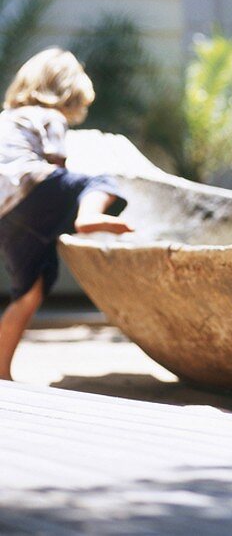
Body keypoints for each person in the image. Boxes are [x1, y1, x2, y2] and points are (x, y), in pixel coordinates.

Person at [0, 47, 132, 380]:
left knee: (31, 288)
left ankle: (0, 372)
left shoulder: (6, 119)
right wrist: (78, 199)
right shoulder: (50, 117)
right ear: (67, 94)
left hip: (5, 213)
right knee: (101, 181)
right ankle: (87, 216)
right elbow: (56, 168)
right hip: (33, 185)